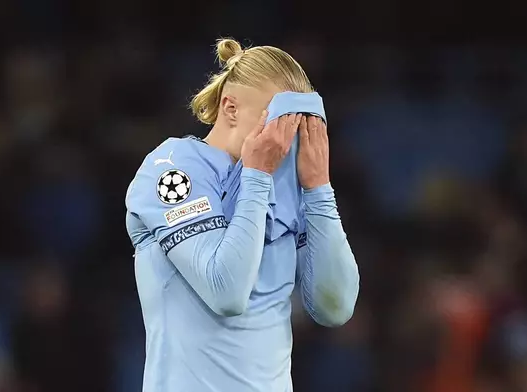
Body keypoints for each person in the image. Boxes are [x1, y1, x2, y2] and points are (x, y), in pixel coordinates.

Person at [125, 38, 359, 392]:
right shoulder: (173, 168)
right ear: (230, 109)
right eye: (279, 121)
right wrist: (257, 177)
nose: (288, 139)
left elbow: (336, 307)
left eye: (302, 125)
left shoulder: (286, 186)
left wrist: (318, 189)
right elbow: (226, 292)